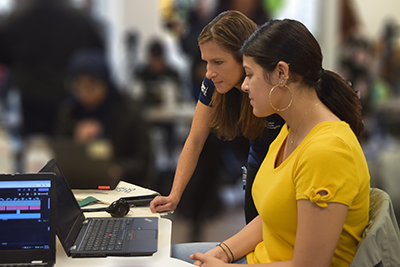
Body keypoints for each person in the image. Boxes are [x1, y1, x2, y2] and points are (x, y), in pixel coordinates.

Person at [171, 19, 370, 266]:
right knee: (161, 257)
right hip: (263, 256)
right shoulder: (291, 131)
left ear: (281, 74)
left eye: (250, 75)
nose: (244, 86)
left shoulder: (327, 151)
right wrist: (223, 252)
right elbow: (272, 217)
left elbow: (310, 265)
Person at [150, 10, 285, 224]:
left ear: (245, 57)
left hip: (286, 170)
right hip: (257, 162)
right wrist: (174, 195)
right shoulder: (213, 83)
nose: (209, 72)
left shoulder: (275, 84)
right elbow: (194, 140)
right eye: (206, 62)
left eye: (218, 62)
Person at [54, 49, 152, 188]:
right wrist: (77, 142)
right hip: (79, 188)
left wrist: (117, 169)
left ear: (105, 82)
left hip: (121, 189)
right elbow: (59, 158)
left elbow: (144, 161)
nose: (85, 94)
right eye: (78, 88)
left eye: (91, 87)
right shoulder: (69, 112)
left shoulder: (127, 111)